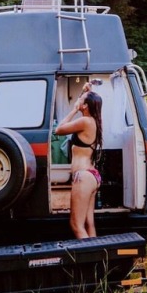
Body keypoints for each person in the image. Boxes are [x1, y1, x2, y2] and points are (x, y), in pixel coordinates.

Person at [55, 83, 103, 239]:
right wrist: (85, 93)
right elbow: (93, 100)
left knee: (76, 225)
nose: (78, 102)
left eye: (80, 100)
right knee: (89, 224)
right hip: (92, 176)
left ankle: (90, 261)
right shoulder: (94, 121)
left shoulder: (85, 122)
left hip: (83, 177)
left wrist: (75, 109)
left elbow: (59, 129)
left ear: (85, 106)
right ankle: (98, 260)